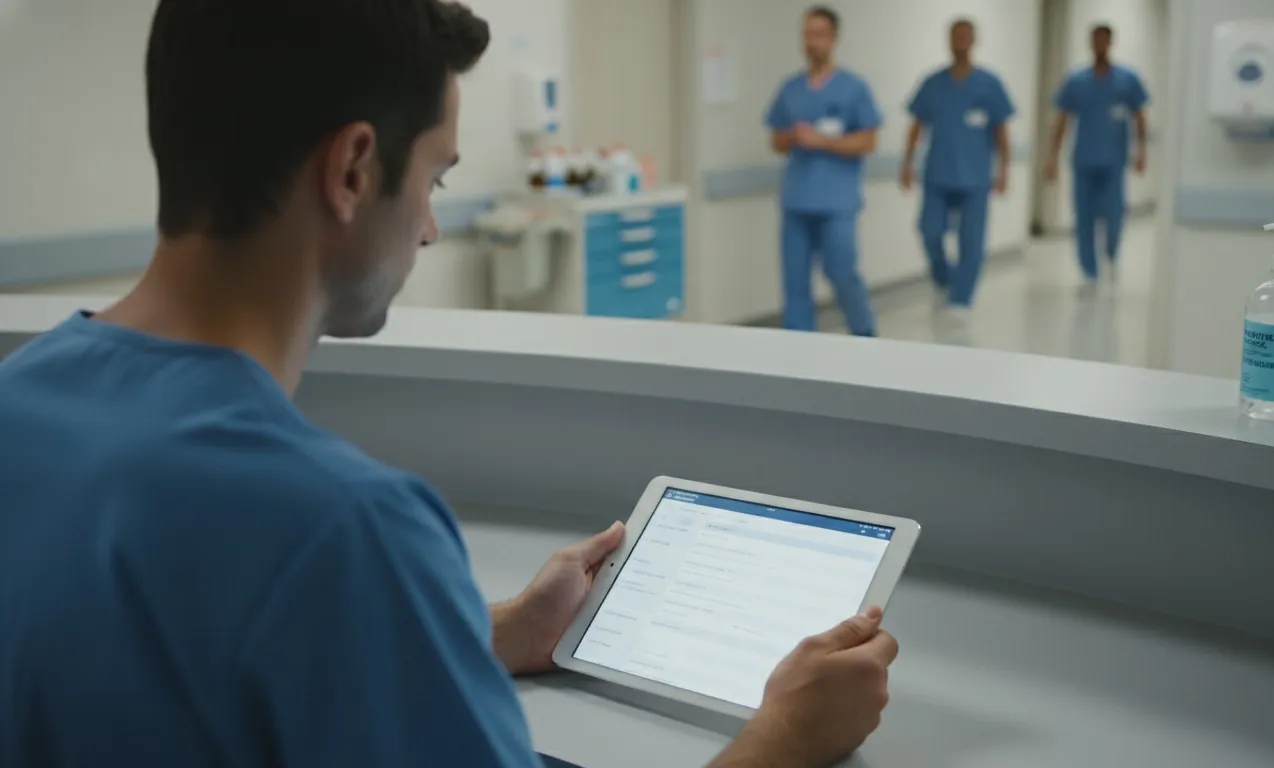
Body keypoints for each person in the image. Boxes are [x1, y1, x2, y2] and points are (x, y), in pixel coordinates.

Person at [0, 1, 901, 767]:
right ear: (354, 171)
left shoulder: (21, 400)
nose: (430, 228)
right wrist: (782, 735)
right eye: (434, 177)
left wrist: (491, 632)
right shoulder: (344, 528)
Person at [765, 5, 882, 337]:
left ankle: (865, 336)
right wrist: (791, 137)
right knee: (795, 283)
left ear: (833, 39)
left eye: (818, 34)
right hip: (797, 200)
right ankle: (799, 351)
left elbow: (868, 141)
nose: (810, 42)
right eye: (806, 34)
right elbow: (775, 140)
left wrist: (822, 141)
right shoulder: (790, 89)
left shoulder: (854, 88)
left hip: (837, 202)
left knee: (842, 274)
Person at [901, 19, 1014, 320]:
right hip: (938, 175)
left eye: (966, 36)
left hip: (975, 178)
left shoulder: (989, 84)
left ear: (974, 40)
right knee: (929, 232)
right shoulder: (934, 83)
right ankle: (944, 278)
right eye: (956, 36)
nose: (960, 41)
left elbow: (1001, 131)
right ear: (949, 41)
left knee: (971, 241)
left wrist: (1004, 170)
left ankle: (962, 299)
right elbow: (916, 125)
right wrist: (907, 163)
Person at [1044, 23, 1150, 286]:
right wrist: (1052, 158)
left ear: (1110, 43)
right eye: (1095, 40)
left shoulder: (1126, 79)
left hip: (1114, 161)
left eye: (1104, 40)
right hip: (1084, 160)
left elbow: (1139, 116)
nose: (1099, 45)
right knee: (1084, 217)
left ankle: (1111, 252)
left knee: (1114, 215)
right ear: (1090, 43)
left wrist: (1141, 151)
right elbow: (1061, 121)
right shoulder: (1077, 81)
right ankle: (1089, 270)